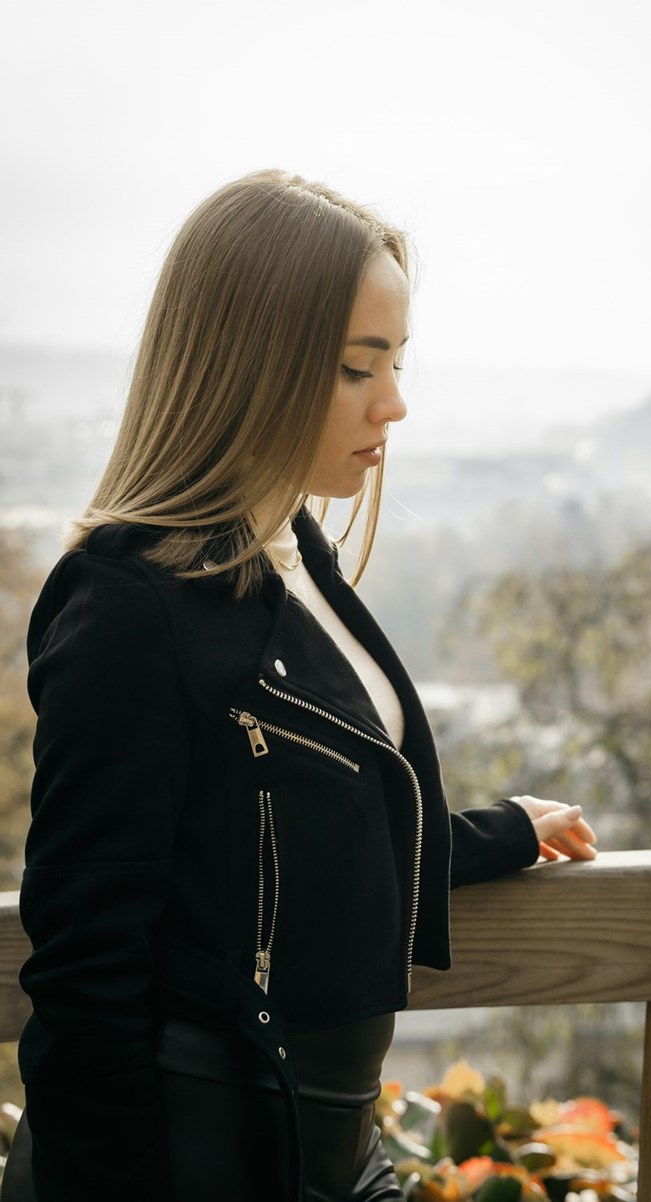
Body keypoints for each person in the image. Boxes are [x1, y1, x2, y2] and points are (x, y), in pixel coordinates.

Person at [10, 170, 597, 1202]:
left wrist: (495, 833)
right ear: (248, 363)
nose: (395, 401)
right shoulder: (127, 608)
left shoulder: (291, 548)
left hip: (323, 1143)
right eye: (352, 367)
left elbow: (293, 834)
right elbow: (84, 974)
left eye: (396, 363)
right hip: (198, 1158)